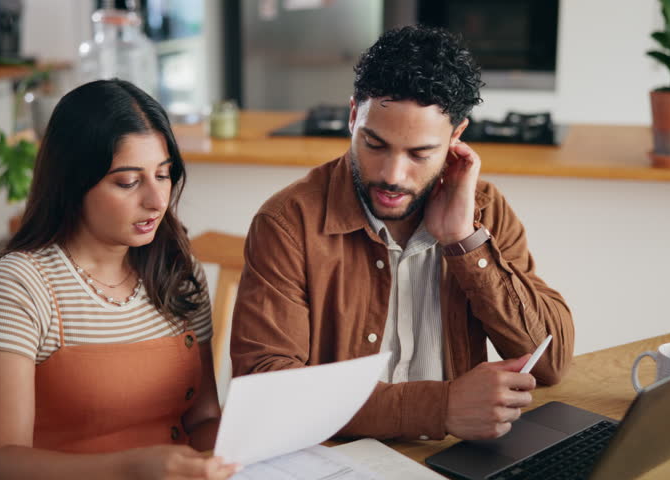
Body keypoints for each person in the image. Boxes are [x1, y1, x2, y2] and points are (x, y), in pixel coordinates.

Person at [230, 26, 575, 442]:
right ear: (354, 116)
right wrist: (440, 408)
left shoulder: (484, 210)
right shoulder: (288, 223)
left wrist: (464, 242)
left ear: (456, 136)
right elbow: (267, 389)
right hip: (340, 457)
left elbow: (550, 363)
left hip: (450, 457)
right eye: (375, 144)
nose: (392, 175)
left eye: (419, 153)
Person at [0, 79, 238, 480]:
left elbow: (202, 420)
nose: (157, 201)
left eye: (163, 175)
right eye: (128, 182)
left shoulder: (177, 271)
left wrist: (247, 443)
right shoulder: (22, 284)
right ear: (73, 181)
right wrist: (132, 469)